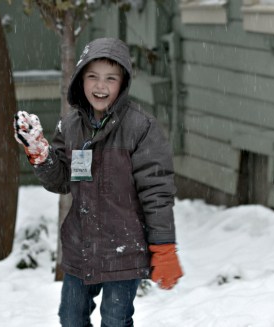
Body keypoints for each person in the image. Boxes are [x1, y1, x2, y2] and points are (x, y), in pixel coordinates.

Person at [13, 37, 183, 326]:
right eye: (92, 77)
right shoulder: (70, 126)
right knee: (71, 319)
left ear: (123, 83)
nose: (100, 86)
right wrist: (41, 154)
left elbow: (156, 191)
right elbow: (62, 180)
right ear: (80, 80)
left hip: (124, 249)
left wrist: (163, 246)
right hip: (83, 248)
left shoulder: (140, 128)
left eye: (110, 78)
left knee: (115, 320)